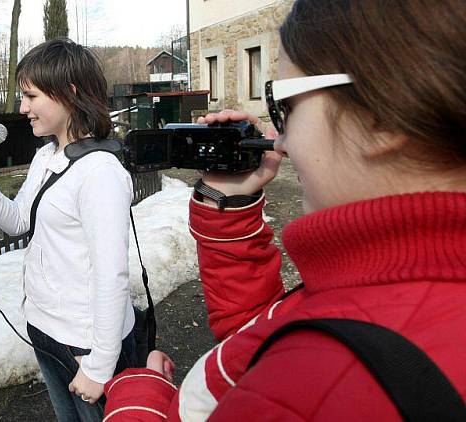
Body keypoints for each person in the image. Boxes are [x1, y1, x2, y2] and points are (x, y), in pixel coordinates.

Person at [103, 0, 466, 420]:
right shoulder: (392, 284)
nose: (279, 142)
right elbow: (266, 338)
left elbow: (290, 367)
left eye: (285, 107)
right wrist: (230, 203)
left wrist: (138, 401)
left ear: (378, 116)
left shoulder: (323, 379)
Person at [0, 38, 137, 421]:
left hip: (85, 347)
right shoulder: (46, 155)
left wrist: (100, 366)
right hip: (45, 331)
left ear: (68, 93)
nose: (22, 109)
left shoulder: (100, 173)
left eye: (30, 96)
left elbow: (112, 276)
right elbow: (21, 220)